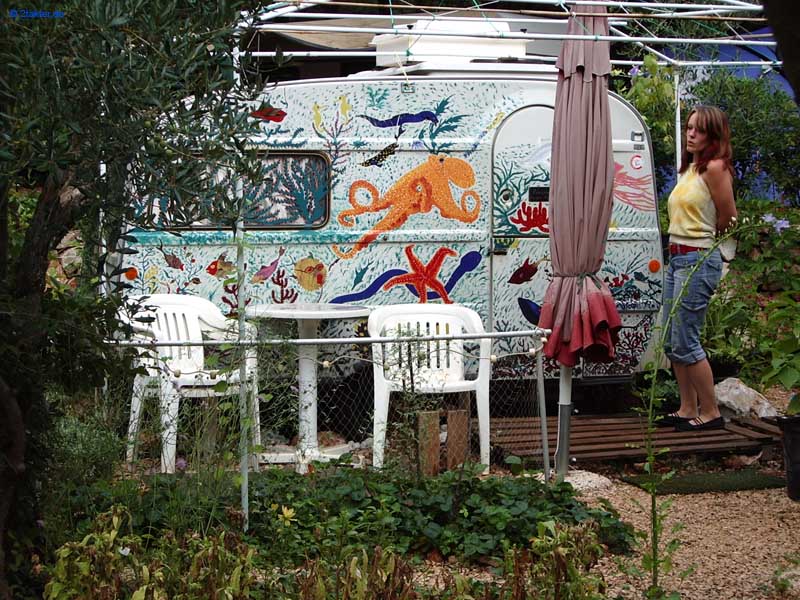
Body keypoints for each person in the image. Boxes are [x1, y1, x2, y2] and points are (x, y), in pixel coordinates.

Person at [660, 105, 737, 431]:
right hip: (676, 259)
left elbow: (729, 217)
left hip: (697, 259)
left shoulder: (715, 168)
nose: (691, 134)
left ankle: (711, 412)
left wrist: (706, 243)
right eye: (689, 127)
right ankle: (687, 407)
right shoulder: (691, 169)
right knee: (671, 341)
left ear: (714, 135)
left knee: (686, 340)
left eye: (699, 130)